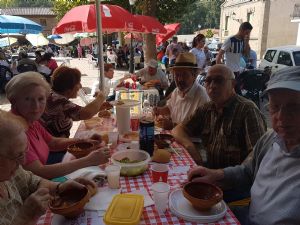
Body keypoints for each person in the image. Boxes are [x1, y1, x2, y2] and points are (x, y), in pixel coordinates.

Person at [187, 66, 300, 225]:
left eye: (294, 107)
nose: (281, 116)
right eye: (275, 106)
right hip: (248, 215)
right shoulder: (270, 140)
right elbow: (247, 171)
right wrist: (216, 174)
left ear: (232, 84)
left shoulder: (247, 110)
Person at [0, 109, 97, 225]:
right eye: (18, 155)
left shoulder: (13, 172)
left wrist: (60, 187)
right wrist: (24, 218)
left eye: (25, 152)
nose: (23, 161)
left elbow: (34, 182)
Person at [5, 72, 109, 179]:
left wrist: (83, 141)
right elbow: (40, 172)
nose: (36, 106)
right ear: (14, 101)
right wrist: (89, 161)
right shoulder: (13, 131)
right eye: (28, 99)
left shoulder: (29, 119)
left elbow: (53, 142)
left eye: (40, 99)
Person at [172, 64, 266, 167]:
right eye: (208, 81)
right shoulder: (207, 108)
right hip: (210, 172)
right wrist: (190, 148)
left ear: (233, 84)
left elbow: (258, 155)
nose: (212, 85)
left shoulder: (247, 110)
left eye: (219, 80)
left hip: (236, 180)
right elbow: (178, 130)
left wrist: (225, 175)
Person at [154, 53, 209, 130]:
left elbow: (199, 130)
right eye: (177, 75)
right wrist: (159, 110)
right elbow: (170, 108)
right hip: (173, 137)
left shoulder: (202, 97)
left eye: (185, 75)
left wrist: (172, 126)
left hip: (190, 141)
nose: (180, 79)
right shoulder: (177, 91)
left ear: (194, 75)